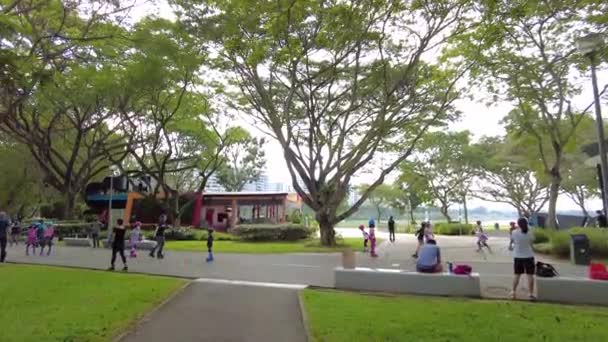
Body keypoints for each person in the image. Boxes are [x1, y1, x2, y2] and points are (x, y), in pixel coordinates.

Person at [511, 217, 536, 301]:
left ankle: (513, 292)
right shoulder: (530, 232)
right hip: (529, 256)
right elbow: (531, 243)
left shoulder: (514, 232)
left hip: (517, 256)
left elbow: (513, 242)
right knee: (530, 275)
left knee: (517, 275)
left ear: (518, 224)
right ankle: (531, 294)